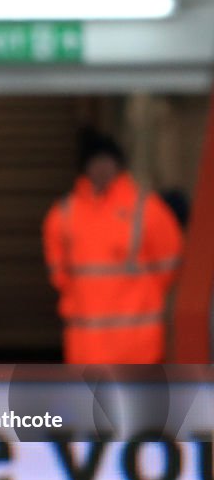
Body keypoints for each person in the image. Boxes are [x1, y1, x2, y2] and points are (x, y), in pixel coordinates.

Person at [43, 135, 183, 364]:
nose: (101, 168)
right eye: (95, 161)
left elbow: (170, 263)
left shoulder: (146, 208)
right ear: (85, 167)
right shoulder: (64, 213)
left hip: (138, 346)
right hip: (87, 345)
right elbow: (58, 271)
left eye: (107, 161)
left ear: (118, 164)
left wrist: (140, 296)